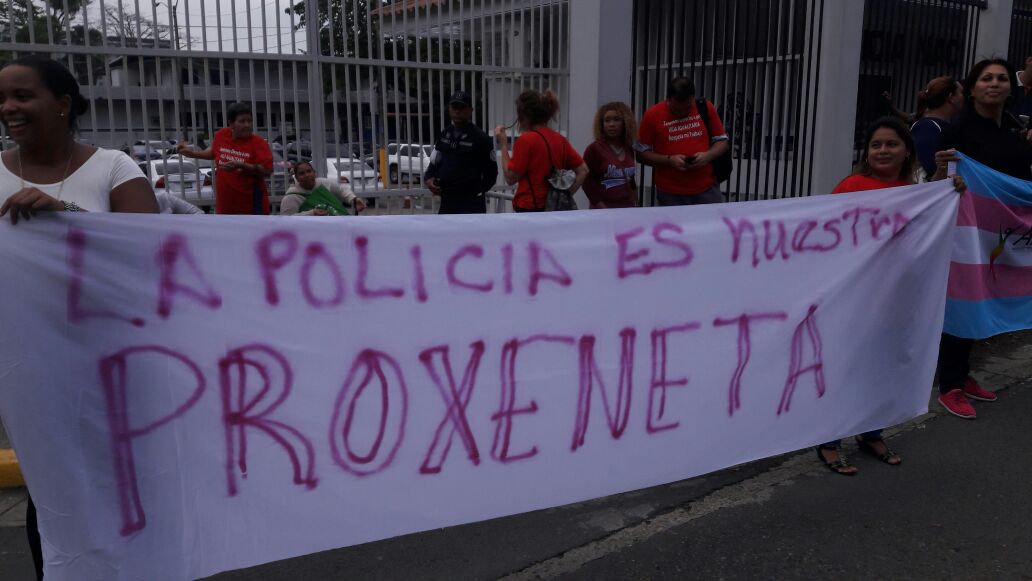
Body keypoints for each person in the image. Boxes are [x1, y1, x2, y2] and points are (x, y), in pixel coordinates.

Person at [0, 55, 158, 580]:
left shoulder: (113, 168)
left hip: (115, 365)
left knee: (129, 487)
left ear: (63, 104)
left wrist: (64, 214)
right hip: (31, 371)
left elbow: (148, 255)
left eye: (23, 95)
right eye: (2, 99)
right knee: (53, 493)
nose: (8, 107)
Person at [821, 116, 966, 475]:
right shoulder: (851, 186)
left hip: (897, 299)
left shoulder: (915, 192)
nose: (883, 150)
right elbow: (827, 236)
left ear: (906, 151)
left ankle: (871, 433)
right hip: (854, 299)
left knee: (881, 368)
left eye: (891, 144)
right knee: (845, 369)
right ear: (866, 152)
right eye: (876, 145)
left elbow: (930, 223)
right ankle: (829, 440)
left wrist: (948, 187)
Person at [933, 58, 1032, 420]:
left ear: (1010, 88)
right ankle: (949, 385)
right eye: (986, 78)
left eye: (1001, 78)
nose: (994, 83)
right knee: (964, 300)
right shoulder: (956, 132)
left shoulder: (1014, 131)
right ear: (972, 88)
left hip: (999, 235)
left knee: (984, 299)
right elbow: (939, 183)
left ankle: (963, 373)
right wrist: (943, 171)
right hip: (964, 233)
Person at [635, 76, 730, 206]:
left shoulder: (705, 107)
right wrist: (669, 160)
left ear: (692, 98)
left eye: (688, 107)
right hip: (671, 194)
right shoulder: (653, 115)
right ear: (668, 100)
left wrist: (708, 156)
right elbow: (641, 154)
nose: (682, 113)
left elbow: (723, 142)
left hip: (707, 189)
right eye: (677, 109)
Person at [493, 89, 588, 212]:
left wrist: (503, 144)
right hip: (553, 209)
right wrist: (564, 196)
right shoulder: (560, 139)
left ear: (523, 115)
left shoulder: (526, 140)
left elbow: (510, 178)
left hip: (529, 207)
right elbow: (583, 170)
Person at [176, 102, 273, 215]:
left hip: (251, 208)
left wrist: (242, 165)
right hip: (225, 207)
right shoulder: (222, 135)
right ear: (231, 124)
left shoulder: (259, 143)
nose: (247, 125)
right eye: (242, 121)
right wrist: (192, 153)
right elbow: (213, 152)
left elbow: (267, 170)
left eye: (249, 121)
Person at [424, 91, 498, 214]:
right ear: (449, 109)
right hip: (447, 201)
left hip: (471, 205)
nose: (457, 112)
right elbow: (434, 162)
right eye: (454, 107)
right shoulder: (445, 135)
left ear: (470, 110)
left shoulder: (480, 138)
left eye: (462, 108)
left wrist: (475, 191)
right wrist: (428, 178)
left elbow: (491, 174)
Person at [582, 102, 638, 209]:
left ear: (625, 122)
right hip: (603, 210)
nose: (611, 124)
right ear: (601, 124)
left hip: (627, 208)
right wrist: (602, 207)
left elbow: (631, 180)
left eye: (616, 119)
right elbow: (587, 183)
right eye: (607, 120)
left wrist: (636, 205)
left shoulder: (629, 148)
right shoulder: (594, 149)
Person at [910, 76, 965, 181]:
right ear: (951, 98)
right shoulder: (927, 127)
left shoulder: (947, 126)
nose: (964, 97)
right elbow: (931, 168)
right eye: (961, 93)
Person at [280, 160, 366, 216]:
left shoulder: (324, 183)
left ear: (314, 173)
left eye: (309, 171)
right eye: (302, 173)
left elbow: (342, 190)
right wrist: (312, 213)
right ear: (297, 177)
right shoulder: (292, 197)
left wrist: (353, 200)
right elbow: (287, 220)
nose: (307, 175)